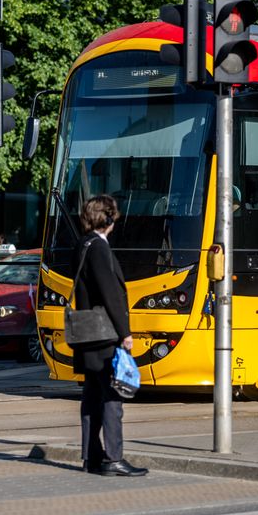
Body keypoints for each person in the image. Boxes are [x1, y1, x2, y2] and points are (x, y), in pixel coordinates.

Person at [72, 194, 147, 477]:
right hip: (103, 336)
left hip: (87, 335)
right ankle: (113, 458)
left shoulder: (82, 244)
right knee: (113, 397)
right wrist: (125, 333)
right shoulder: (99, 249)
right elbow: (111, 294)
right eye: (113, 216)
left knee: (91, 397)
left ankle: (91, 457)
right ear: (108, 218)